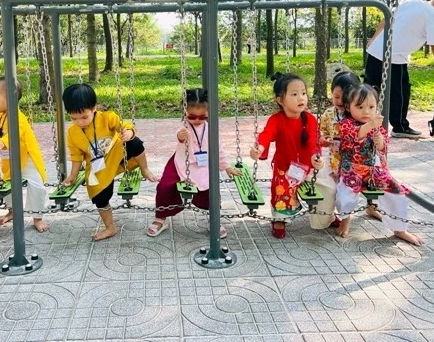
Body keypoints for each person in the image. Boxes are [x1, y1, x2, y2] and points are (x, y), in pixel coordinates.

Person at [61, 83, 158, 241]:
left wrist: (129, 131)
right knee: (99, 197)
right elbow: (76, 156)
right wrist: (72, 175)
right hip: (98, 168)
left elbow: (124, 126)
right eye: (74, 118)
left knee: (135, 142)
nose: (80, 122)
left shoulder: (107, 118)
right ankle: (110, 227)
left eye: (84, 117)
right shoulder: (72, 133)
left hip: (116, 156)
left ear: (94, 108)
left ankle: (145, 169)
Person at [146, 88, 242, 238]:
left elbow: (219, 149)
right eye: (192, 116)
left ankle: (214, 219)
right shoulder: (184, 126)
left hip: (202, 164)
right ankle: (160, 218)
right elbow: (177, 134)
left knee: (211, 189)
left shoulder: (211, 129)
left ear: (209, 113)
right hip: (180, 162)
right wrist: (180, 136)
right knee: (165, 186)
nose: (197, 120)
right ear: (185, 112)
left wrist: (226, 167)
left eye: (202, 117)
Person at [335, 83, 423, 246]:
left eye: (371, 107)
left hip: (374, 170)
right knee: (344, 194)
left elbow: (383, 148)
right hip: (352, 169)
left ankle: (399, 229)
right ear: (348, 107)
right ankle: (345, 219)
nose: (366, 111)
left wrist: (380, 142)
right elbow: (354, 135)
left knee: (396, 192)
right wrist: (370, 125)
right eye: (359, 106)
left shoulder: (377, 127)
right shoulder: (346, 124)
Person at [364, 0, 434, 139]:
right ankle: (400, 127)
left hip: (377, 52)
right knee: (400, 93)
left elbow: (387, 19)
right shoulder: (431, 14)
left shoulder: (412, 2)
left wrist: (374, 39)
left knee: (369, 91)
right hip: (393, 56)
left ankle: (361, 125)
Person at [0, 77, 49, 233]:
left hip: (27, 159)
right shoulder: (2, 116)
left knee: (37, 187)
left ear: (10, 99)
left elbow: (15, 131)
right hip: (11, 160)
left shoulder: (19, 117)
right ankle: (12, 211)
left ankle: (37, 217)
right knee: (7, 186)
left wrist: (3, 142)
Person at [249, 73, 324, 239]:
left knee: (328, 187)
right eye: (294, 94)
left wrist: (315, 157)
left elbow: (313, 141)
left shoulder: (310, 119)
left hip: (308, 165)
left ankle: (327, 215)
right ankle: (279, 219)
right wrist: (259, 148)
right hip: (285, 166)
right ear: (280, 100)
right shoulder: (276, 120)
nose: (301, 98)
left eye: (303, 93)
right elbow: (266, 135)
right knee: (281, 191)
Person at [311, 71, 361, 230]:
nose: (339, 101)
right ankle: (332, 216)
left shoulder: (357, 114)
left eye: (344, 97)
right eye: (336, 96)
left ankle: (346, 218)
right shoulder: (328, 113)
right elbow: (321, 132)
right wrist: (322, 140)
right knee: (332, 190)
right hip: (333, 160)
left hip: (352, 162)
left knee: (347, 192)